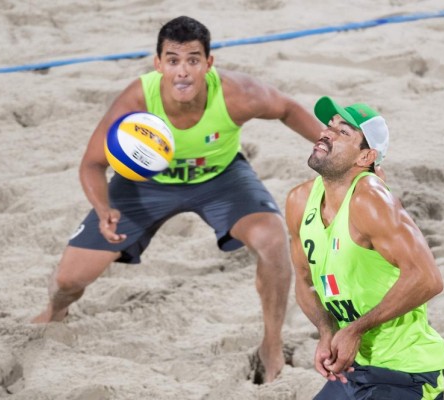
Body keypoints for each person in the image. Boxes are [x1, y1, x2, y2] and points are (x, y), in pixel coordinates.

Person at [32, 15, 323, 383]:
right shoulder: (137, 100)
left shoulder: (237, 94)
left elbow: (289, 109)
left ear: (208, 63)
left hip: (221, 177)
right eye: (173, 60)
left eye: (193, 60)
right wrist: (104, 209)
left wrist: (333, 151)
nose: (182, 71)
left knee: (273, 240)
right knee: (68, 281)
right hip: (144, 186)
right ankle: (55, 313)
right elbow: (91, 165)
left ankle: (272, 344)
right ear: (158, 64)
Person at [285, 96, 444, 399]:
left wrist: (354, 330)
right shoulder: (299, 201)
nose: (326, 133)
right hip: (353, 368)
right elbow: (306, 284)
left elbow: (428, 279)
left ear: (366, 157)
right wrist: (327, 331)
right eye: (329, 126)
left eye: (343, 132)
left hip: (405, 371)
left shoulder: (371, 201)